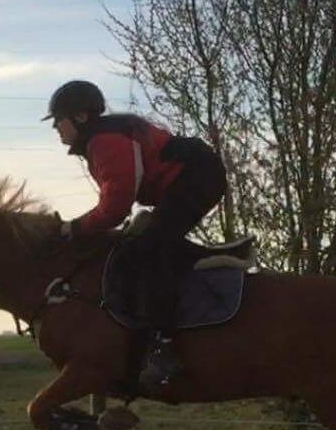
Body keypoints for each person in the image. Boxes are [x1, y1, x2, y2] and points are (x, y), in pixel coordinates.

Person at [42, 80, 227, 390]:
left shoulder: (104, 141)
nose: (56, 128)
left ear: (81, 117)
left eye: (58, 119)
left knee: (149, 251)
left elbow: (115, 207)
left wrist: (73, 228)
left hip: (197, 177)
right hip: (191, 177)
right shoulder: (101, 139)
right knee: (144, 245)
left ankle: (164, 347)